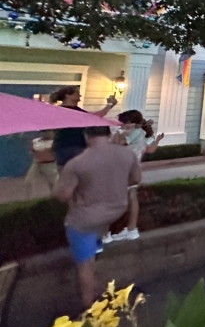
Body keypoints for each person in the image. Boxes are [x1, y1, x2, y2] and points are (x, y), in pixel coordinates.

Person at [54, 126, 141, 304]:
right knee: (93, 248)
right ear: (109, 135)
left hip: (85, 220)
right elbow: (136, 179)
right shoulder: (127, 154)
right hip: (116, 211)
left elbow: (62, 195)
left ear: (86, 136)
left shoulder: (77, 163)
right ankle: (97, 249)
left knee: (85, 266)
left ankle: (90, 310)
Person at [106, 110, 163, 242]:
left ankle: (106, 233)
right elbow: (150, 149)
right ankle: (131, 229)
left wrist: (119, 133)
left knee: (111, 199)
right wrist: (158, 140)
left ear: (130, 122)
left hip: (123, 168)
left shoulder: (133, 132)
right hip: (135, 167)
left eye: (122, 122)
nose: (120, 125)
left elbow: (116, 145)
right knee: (132, 196)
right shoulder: (142, 133)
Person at [50, 86, 118, 167]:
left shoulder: (61, 110)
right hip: (72, 146)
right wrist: (109, 105)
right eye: (77, 93)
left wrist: (109, 105)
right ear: (67, 95)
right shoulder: (68, 111)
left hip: (61, 147)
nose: (80, 95)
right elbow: (93, 117)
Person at [24, 130, 58, 199]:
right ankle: (28, 199)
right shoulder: (36, 141)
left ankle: (55, 199)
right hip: (37, 164)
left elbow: (54, 151)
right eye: (43, 132)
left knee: (53, 183)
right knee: (28, 181)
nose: (46, 133)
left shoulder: (55, 142)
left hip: (50, 164)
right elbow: (31, 150)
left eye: (48, 131)